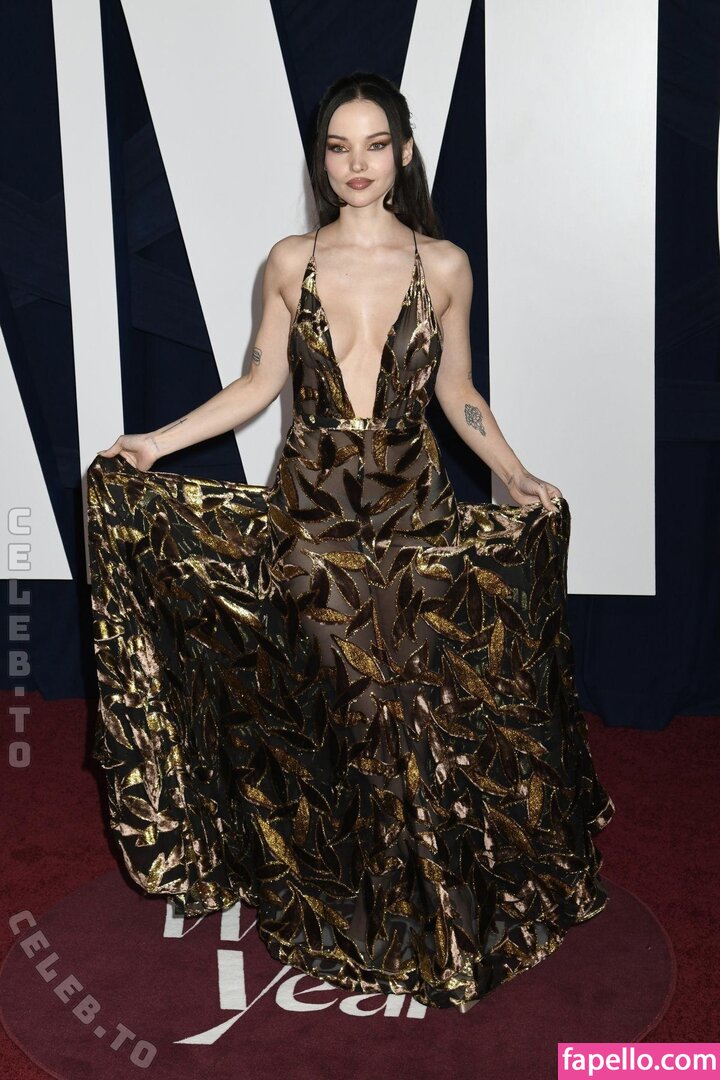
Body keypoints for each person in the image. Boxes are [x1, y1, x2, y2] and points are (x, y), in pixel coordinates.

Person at [87, 71, 614, 1012]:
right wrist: (155, 444)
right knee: (345, 702)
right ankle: (353, 906)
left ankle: (425, 908)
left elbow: (456, 390)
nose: (356, 164)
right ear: (322, 159)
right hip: (313, 519)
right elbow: (258, 384)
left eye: (374, 145)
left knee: (417, 709)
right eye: (338, 147)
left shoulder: (444, 265)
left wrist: (517, 471)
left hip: (414, 513)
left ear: (403, 153)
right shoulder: (291, 260)